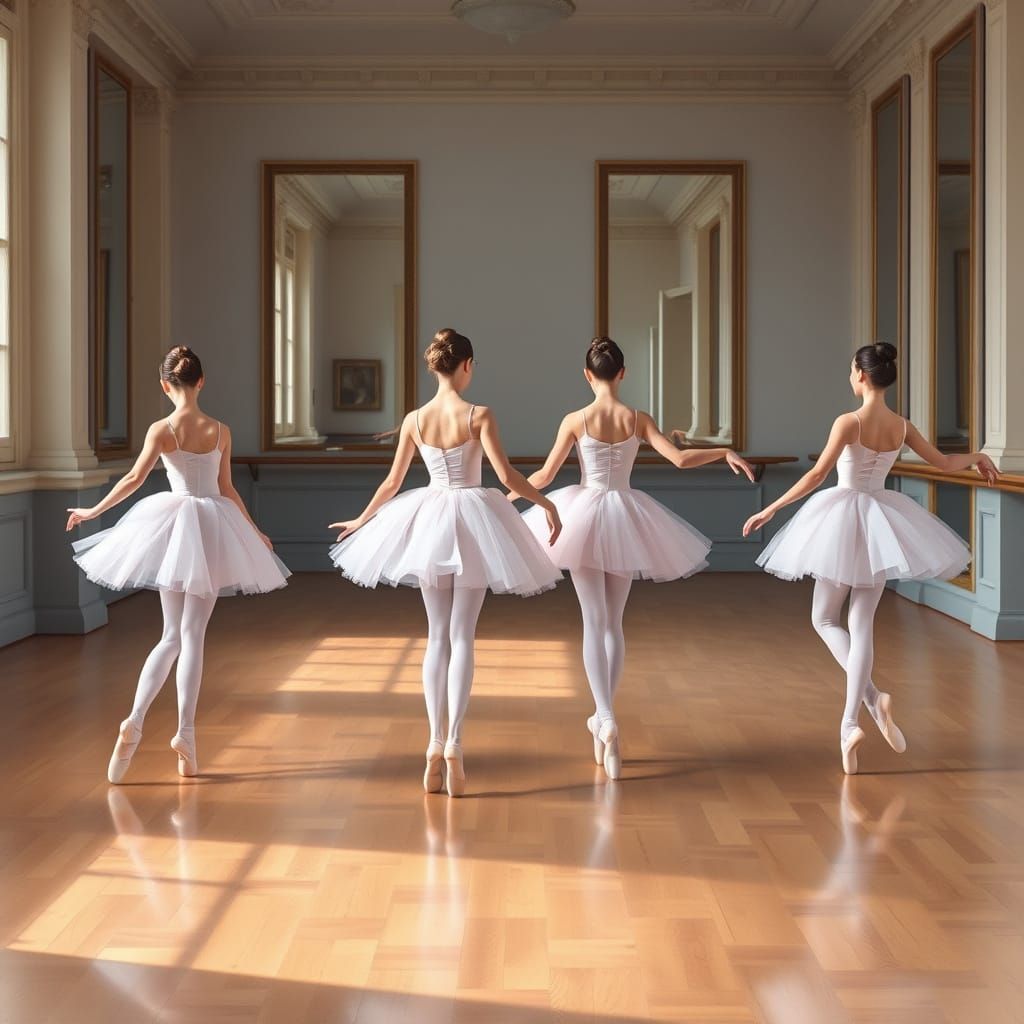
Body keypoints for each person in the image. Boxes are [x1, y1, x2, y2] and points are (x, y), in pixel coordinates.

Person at [743, 342, 998, 774]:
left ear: (861, 376)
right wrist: (978, 457)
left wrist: (771, 507)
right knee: (862, 624)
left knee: (824, 620)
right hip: (881, 522)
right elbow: (944, 462)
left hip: (842, 518)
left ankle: (863, 710)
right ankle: (859, 713)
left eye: (850, 371)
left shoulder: (849, 421)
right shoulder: (901, 426)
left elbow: (817, 474)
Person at [328, 328, 562, 797]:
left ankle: (434, 741)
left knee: (436, 636)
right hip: (474, 519)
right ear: (467, 366)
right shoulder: (479, 414)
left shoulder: (415, 419)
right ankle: (454, 742)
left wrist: (362, 518)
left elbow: (392, 482)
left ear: (434, 367)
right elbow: (506, 475)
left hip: (432, 518)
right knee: (463, 636)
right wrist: (547, 503)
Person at [516, 336, 756, 780]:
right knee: (613, 623)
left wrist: (508, 495)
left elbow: (547, 474)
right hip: (625, 515)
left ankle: (605, 719)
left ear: (588, 375)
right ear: (622, 373)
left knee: (593, 620)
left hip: (583, 516)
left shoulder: (576, 419)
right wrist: (723, 451)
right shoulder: (636, 418)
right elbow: (681, 460)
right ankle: (606, 720)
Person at [67, 346, 290, 782]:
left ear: (166, 385)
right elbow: (226, 488)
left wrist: (93, 512)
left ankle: (134, 721)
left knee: (169, 636)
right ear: (201, 382)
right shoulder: (220, 430)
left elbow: (133, 479)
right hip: (211, 528)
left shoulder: (162, 428)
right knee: (194, 637)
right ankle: (186, 735)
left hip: (175, 525)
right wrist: (253, 529)